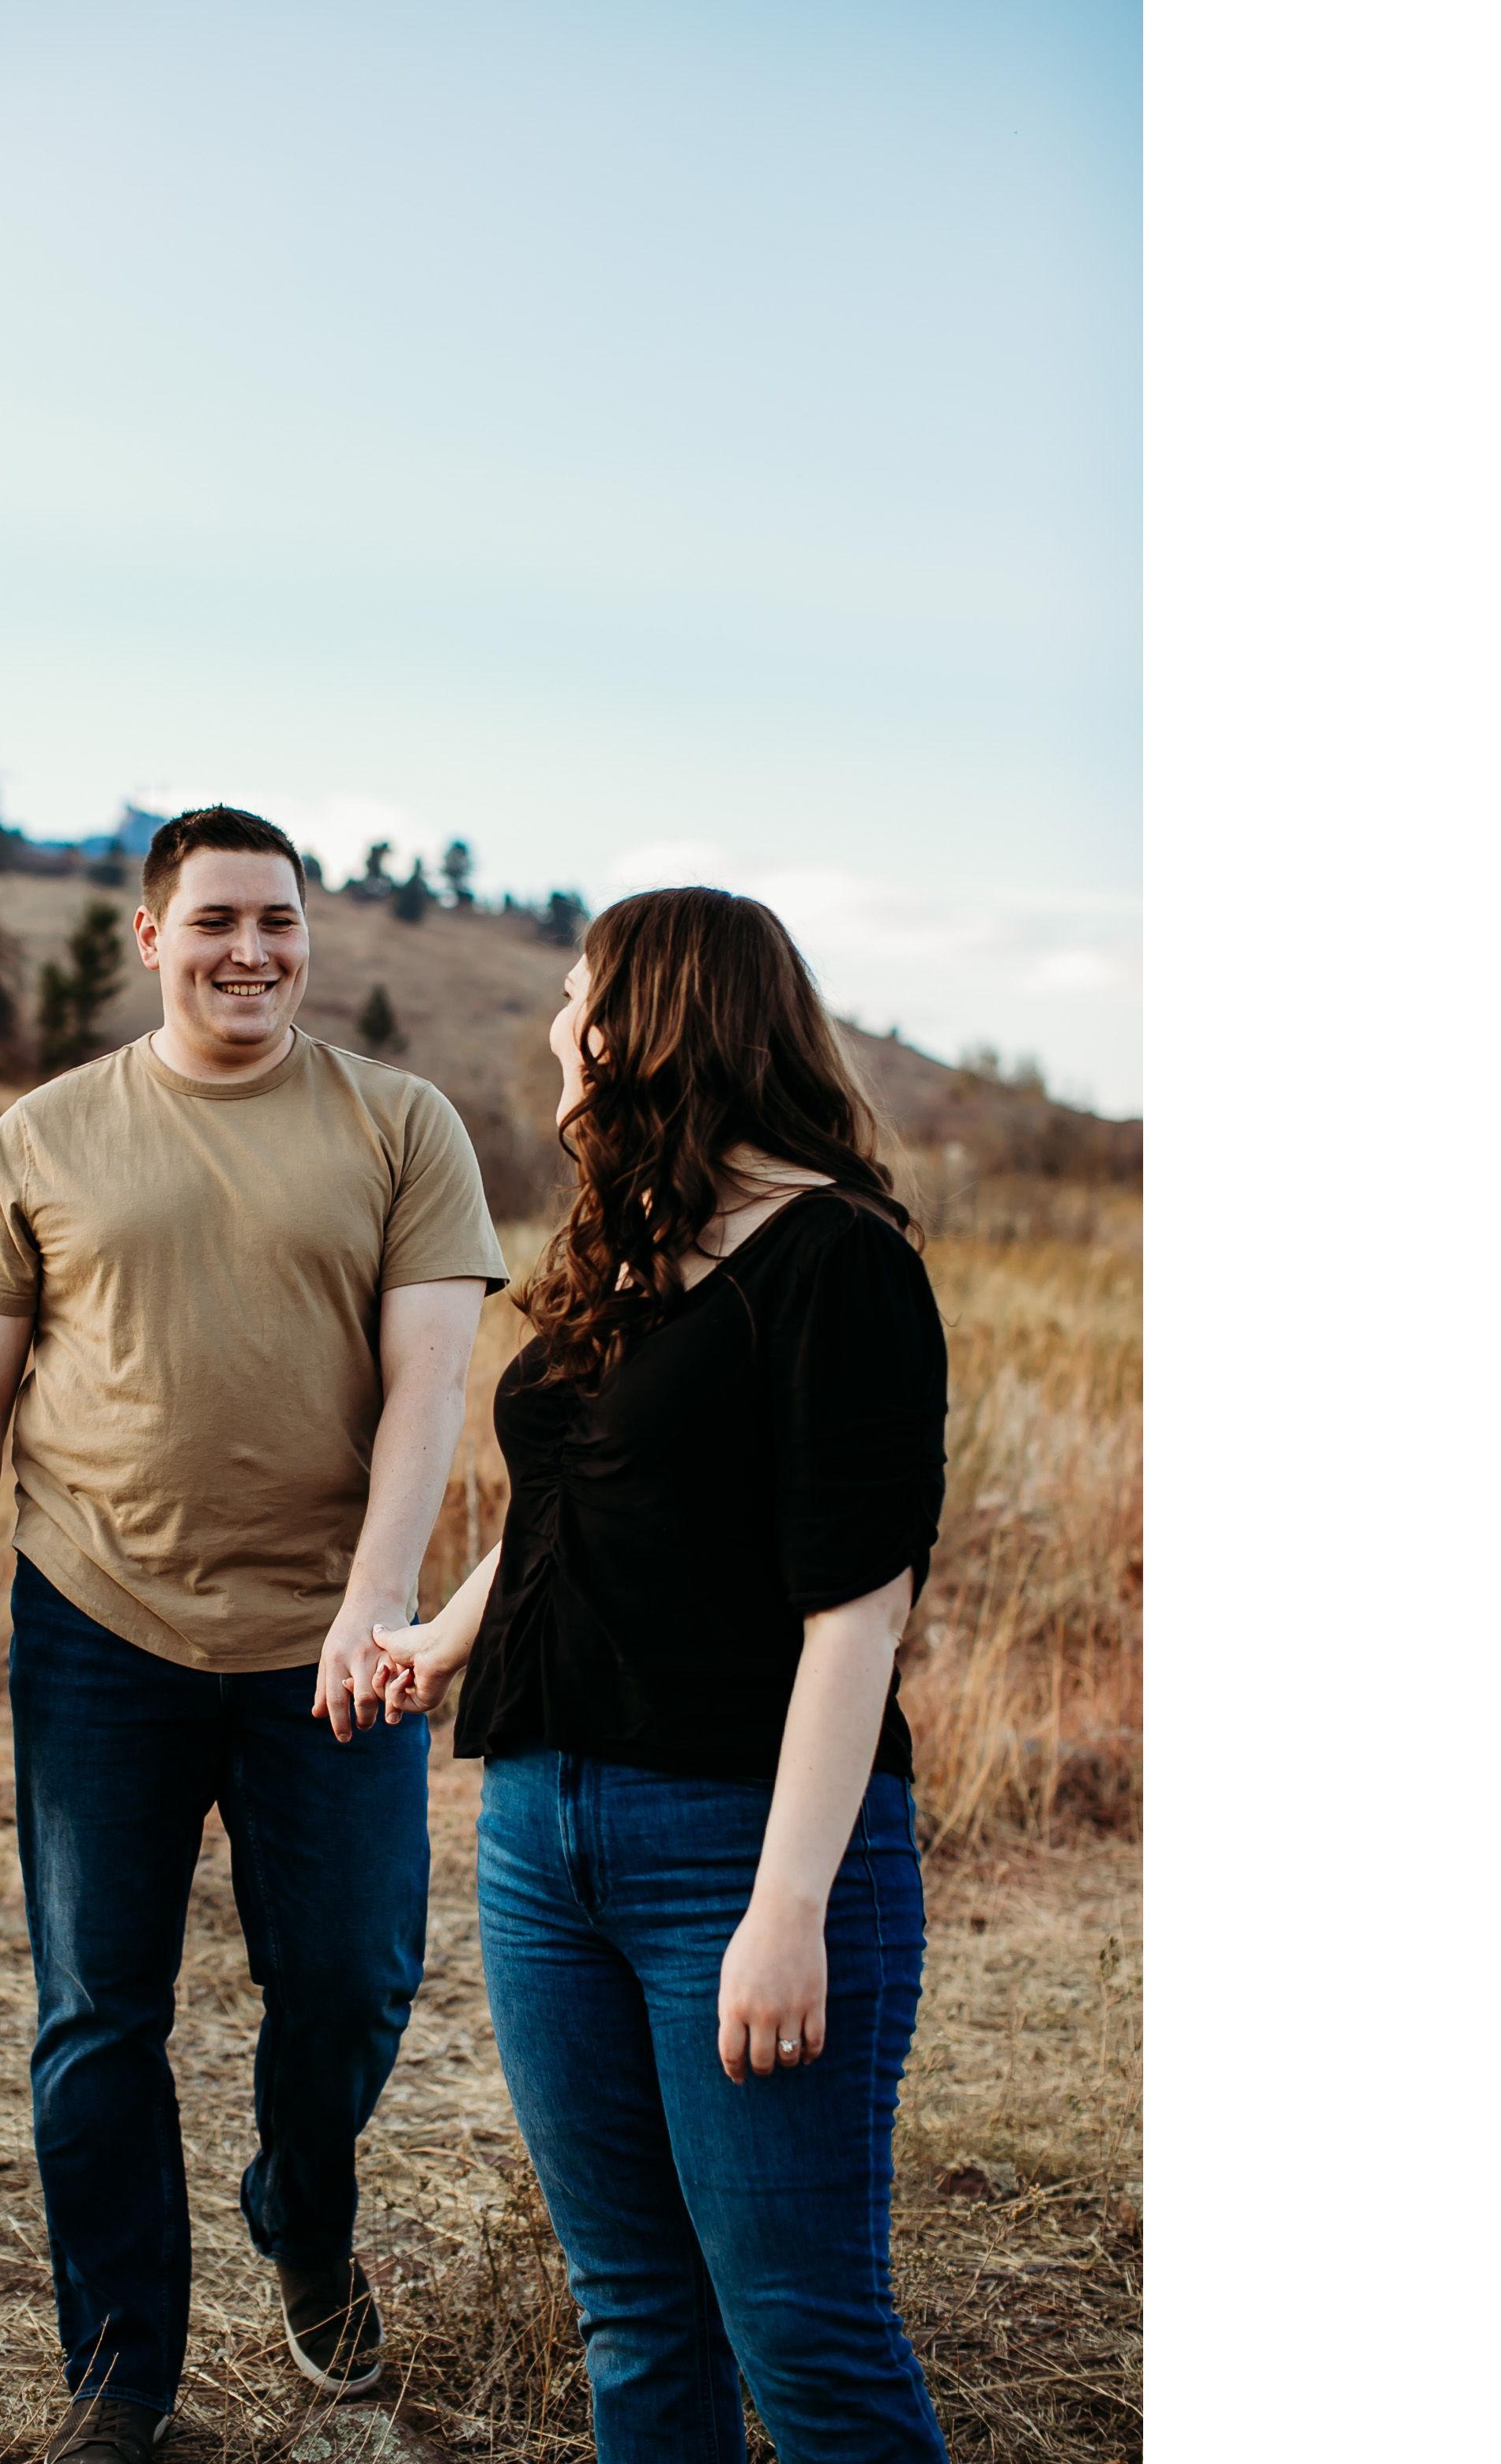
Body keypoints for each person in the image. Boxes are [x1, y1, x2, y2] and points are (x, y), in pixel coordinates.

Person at [0, 806, 508, 2464]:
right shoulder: (44, 1137)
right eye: (221, 919)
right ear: (151, 935)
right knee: (101, 2010)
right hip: (101, 1627)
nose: (256, 951)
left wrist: (377, 1603)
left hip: (336, 1634)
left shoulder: (400, 1125)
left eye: (283, 922)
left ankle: (302, 2217)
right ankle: (121, 2381)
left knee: (356, 1981)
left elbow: (431, 1387)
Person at [374, 886, 954, 2463]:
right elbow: (574, 1500)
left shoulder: (840, 1265)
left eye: (578, 998)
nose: (558, 1028)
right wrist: (435, 1642)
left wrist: (785, 1915)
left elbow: (859, 1622)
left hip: (737, 1857)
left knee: (809, 2351)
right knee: (636, 2318)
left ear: (646, 1024)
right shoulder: (630, 1251)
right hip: (541, 1843)